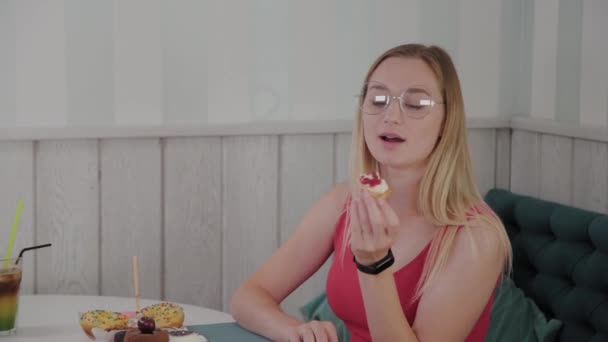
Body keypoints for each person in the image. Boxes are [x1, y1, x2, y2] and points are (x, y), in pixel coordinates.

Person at [229, 43, 512, 342]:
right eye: (377, 99)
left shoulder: (475, 235)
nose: (391, 116)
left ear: (447, 121)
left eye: (415, 105)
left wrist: (374, 265)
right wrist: (295, 331)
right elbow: (247, 297)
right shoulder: (343, 202)